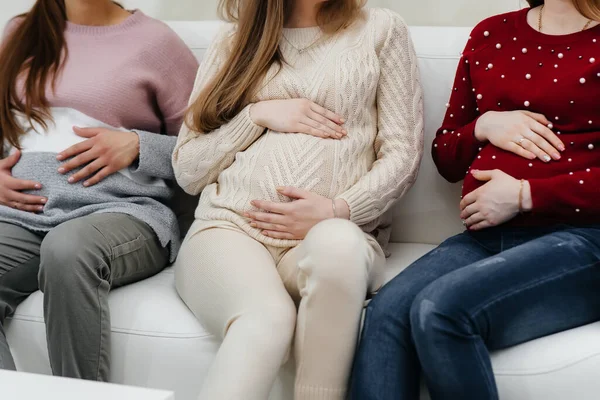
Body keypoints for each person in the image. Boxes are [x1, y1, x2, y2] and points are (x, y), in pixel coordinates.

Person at [171, 0, 423, 397]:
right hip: (231, 230)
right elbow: (187, 170)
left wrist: (338, 211)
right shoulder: (234, 39)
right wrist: (256, 115)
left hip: (331, 234)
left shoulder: (380, 29)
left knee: (339, 245)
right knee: (268, 319)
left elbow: (403, 155)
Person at [349, 0, 600, 399]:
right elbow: (446, 157)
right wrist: (483, 126)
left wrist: (526, 195)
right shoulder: (491, 34)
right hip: (485, 237)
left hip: (584, 240)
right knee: (386, 313)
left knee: (441, 309)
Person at [0, 0, 198, 381]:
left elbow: (208, 146)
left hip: (124, 214)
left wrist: (139, 145)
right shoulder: (20, 32)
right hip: (24, 215)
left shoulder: (156, 42)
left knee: (67, 249)